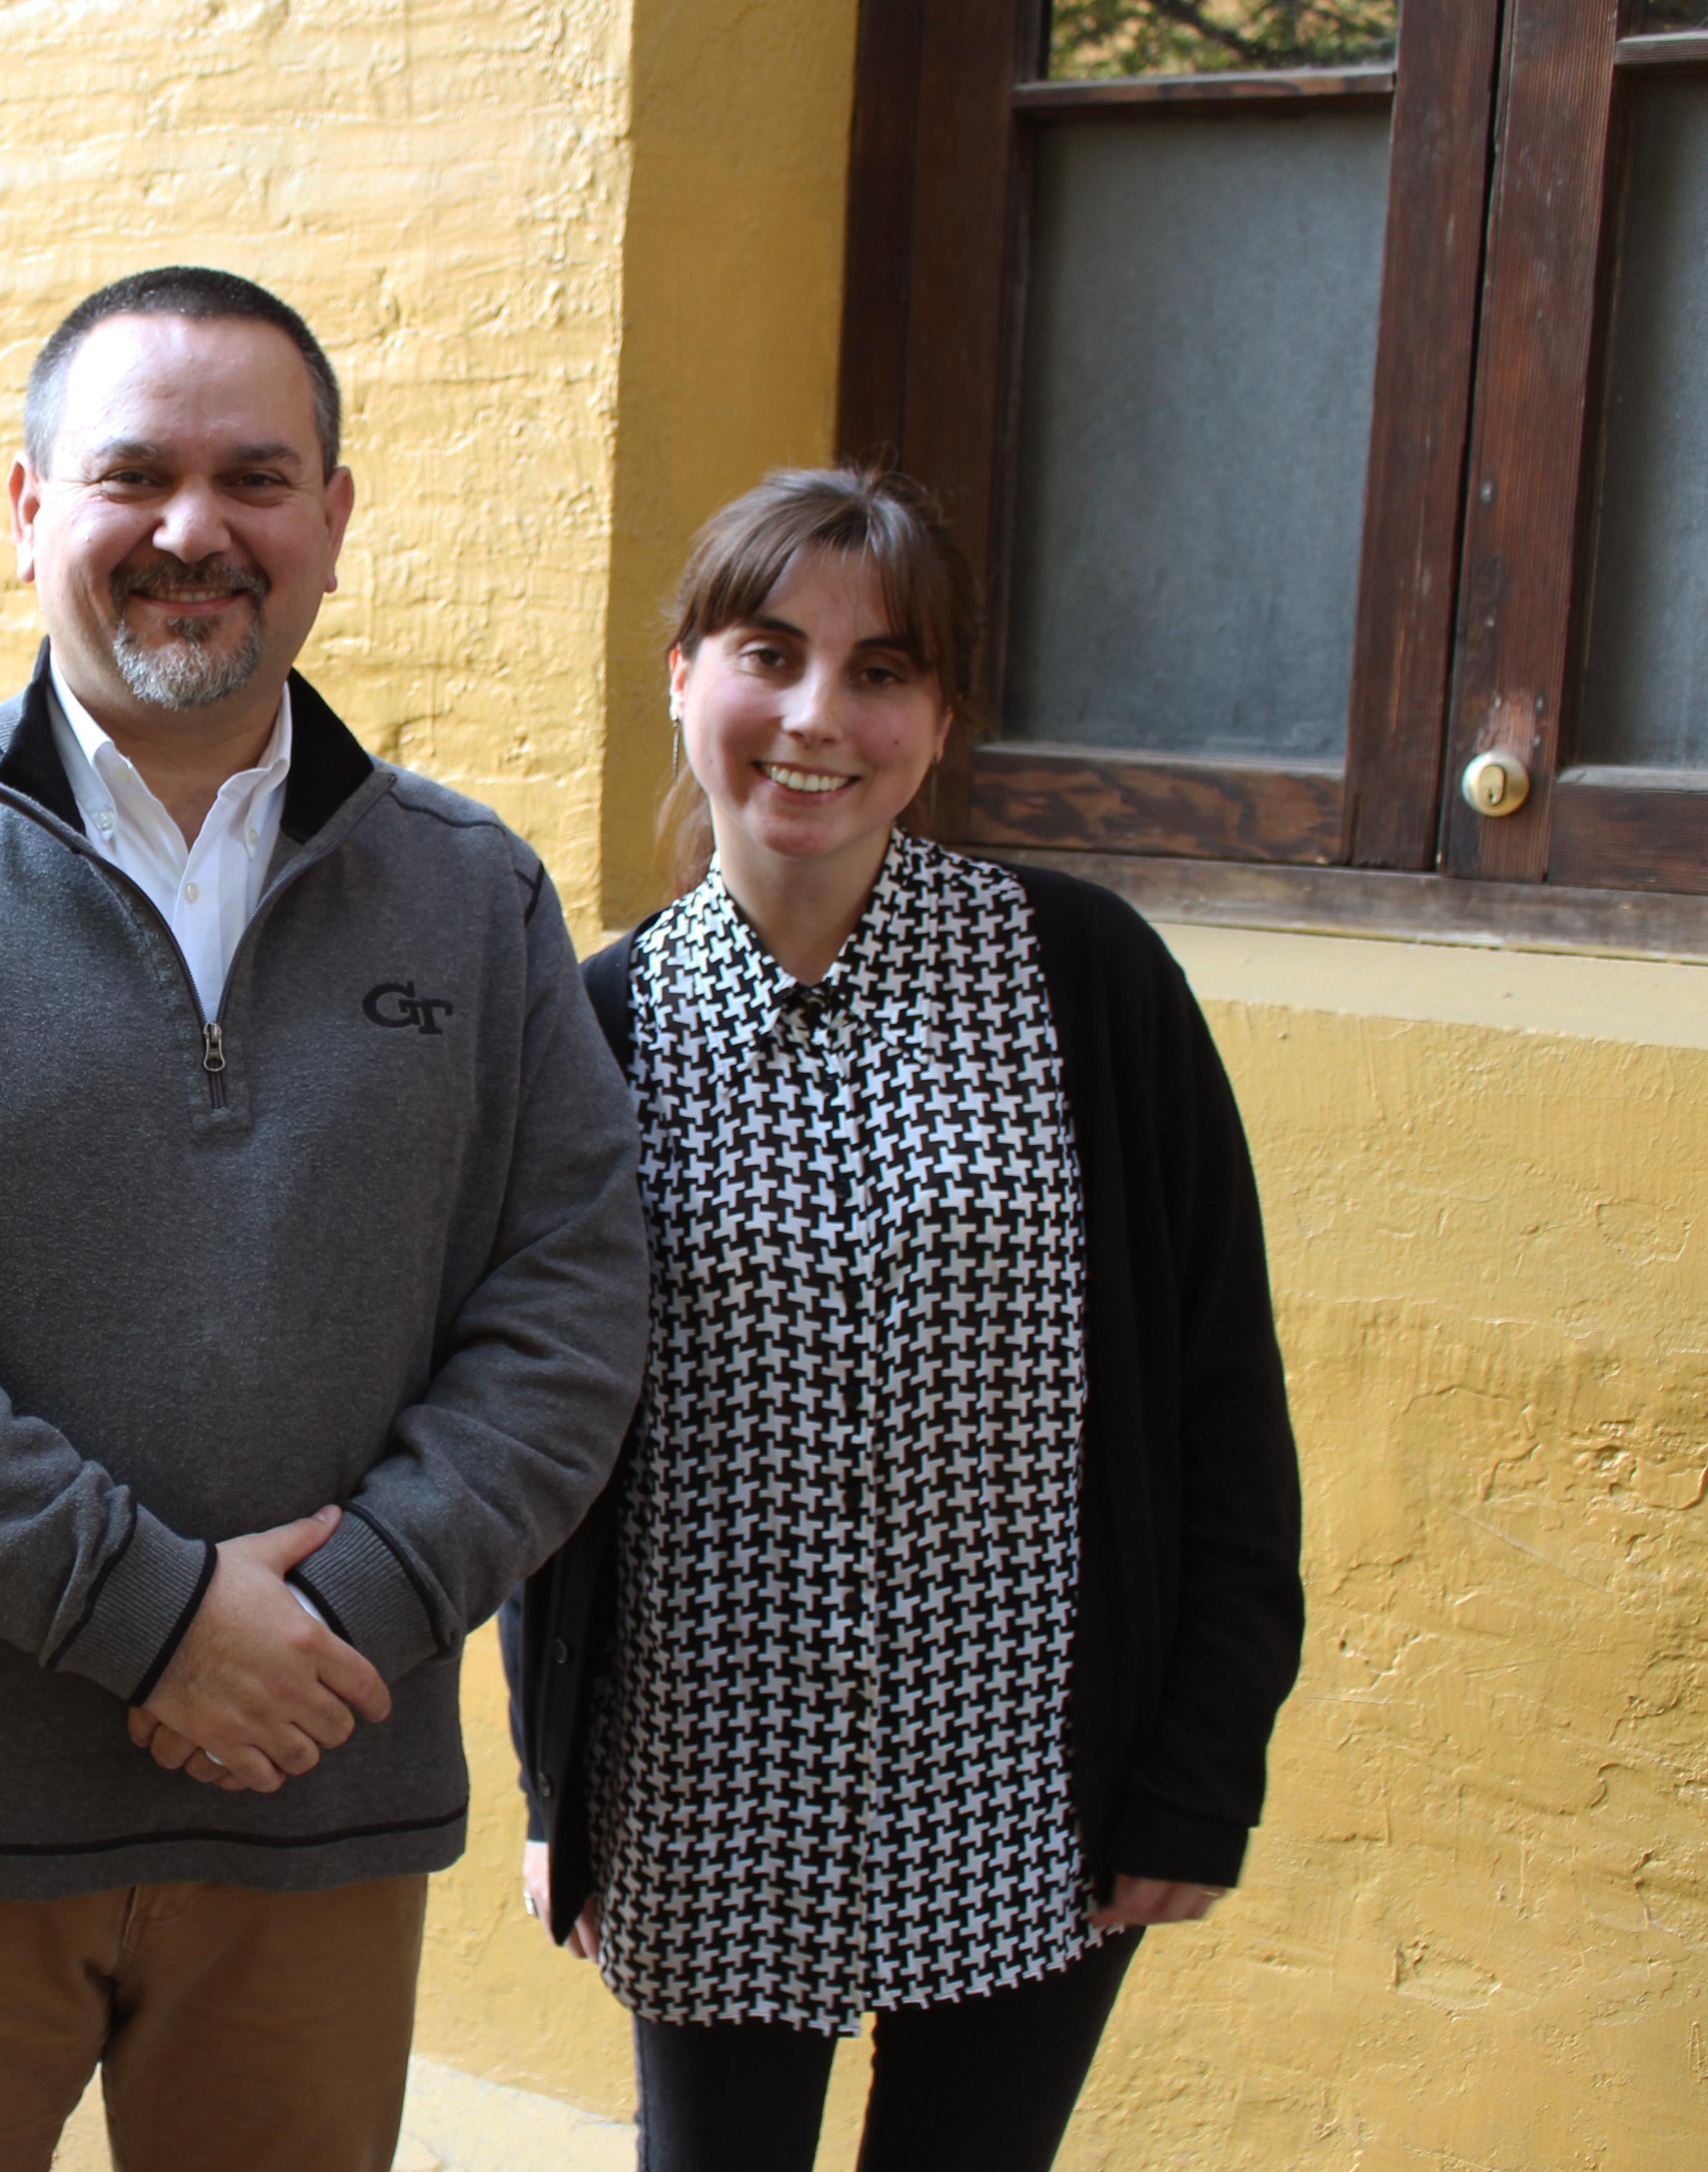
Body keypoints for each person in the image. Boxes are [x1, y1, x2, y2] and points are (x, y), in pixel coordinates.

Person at [0, 265, 649, 2172]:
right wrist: (151, 1619)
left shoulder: (471, 896)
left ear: (334, 525)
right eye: (134, 476)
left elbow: (568, 1307)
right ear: (31, 509)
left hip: (313, 1802)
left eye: (256, 478)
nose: (194, 529)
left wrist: (339, 1620)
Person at [503, 466, 1305, 2172]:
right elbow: (543, 1450)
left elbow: (1221, 1394)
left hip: (1032, 1786)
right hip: (704, 1783)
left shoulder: (1088, 985)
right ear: (682, 676)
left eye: (881, 673)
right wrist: (553, 1791)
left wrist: (1199, 1771)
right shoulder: (596, 1032)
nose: (818, 716)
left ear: (940, 720)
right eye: (767, 651)